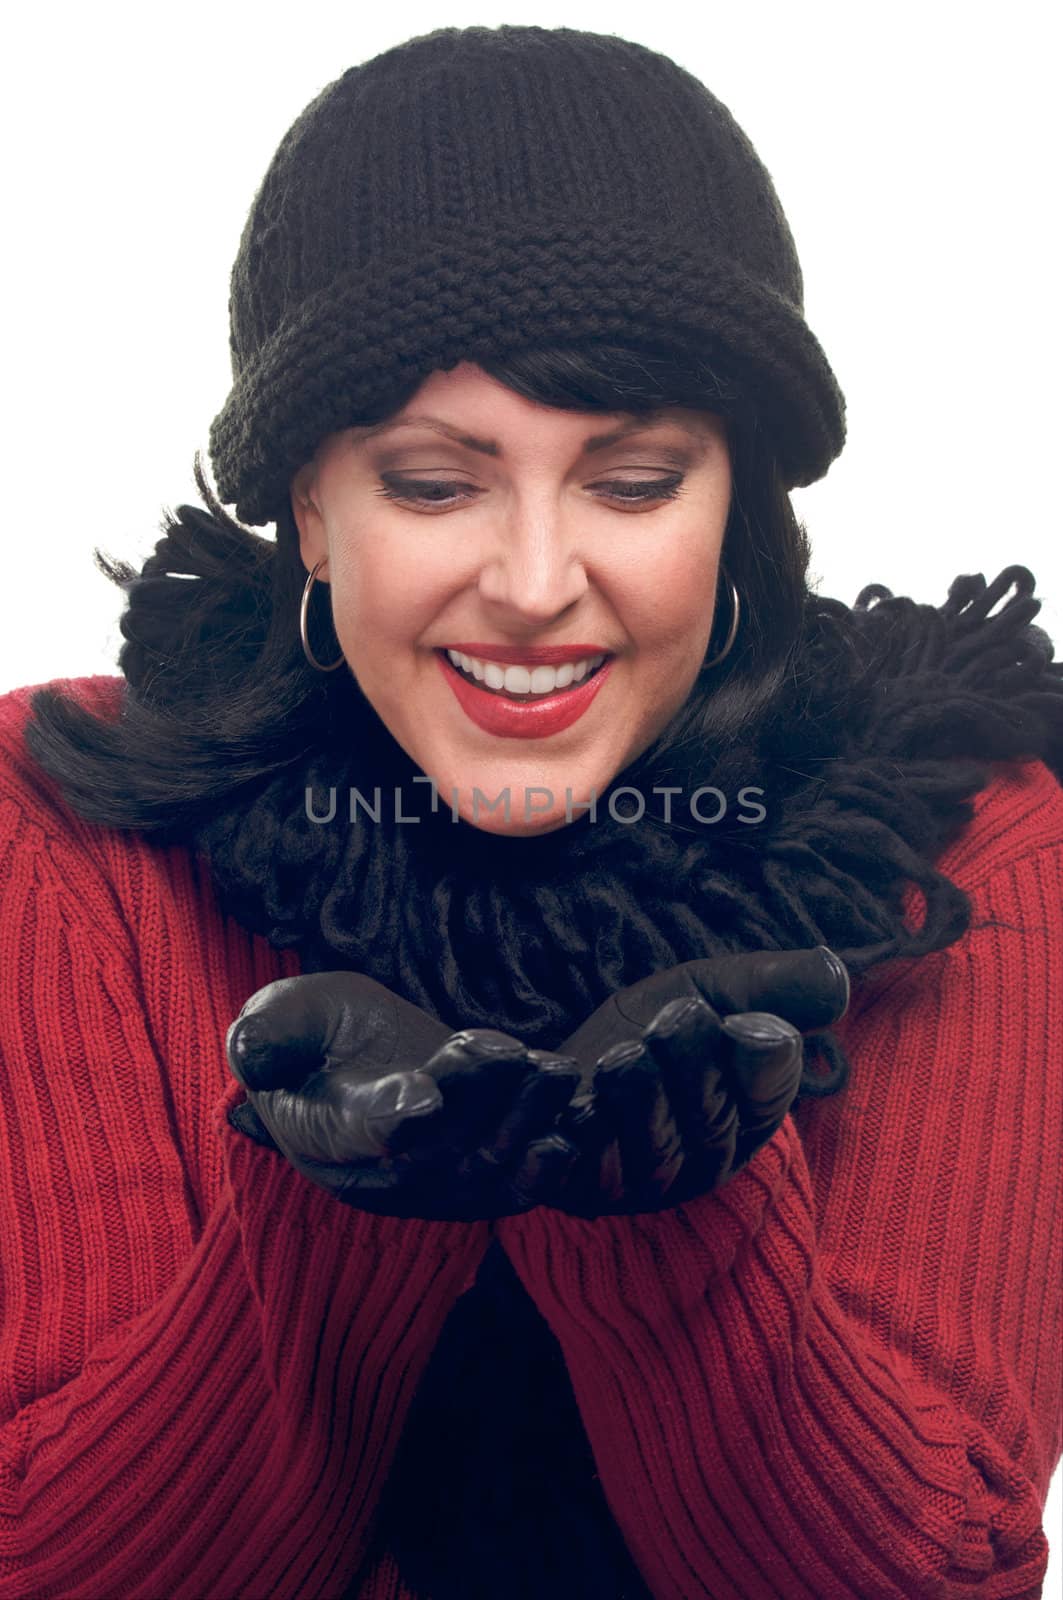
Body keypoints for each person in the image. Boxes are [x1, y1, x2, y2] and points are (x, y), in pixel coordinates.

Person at [0, 22, 1060, 1600]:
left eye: (634, 481)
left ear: (740, 498)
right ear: (306, 502)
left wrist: (676, 1226)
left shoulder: (968, 844)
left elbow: (949, 1575)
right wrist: (329, 1216)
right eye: (435, 483)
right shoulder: (64, 830)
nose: (537, 585)